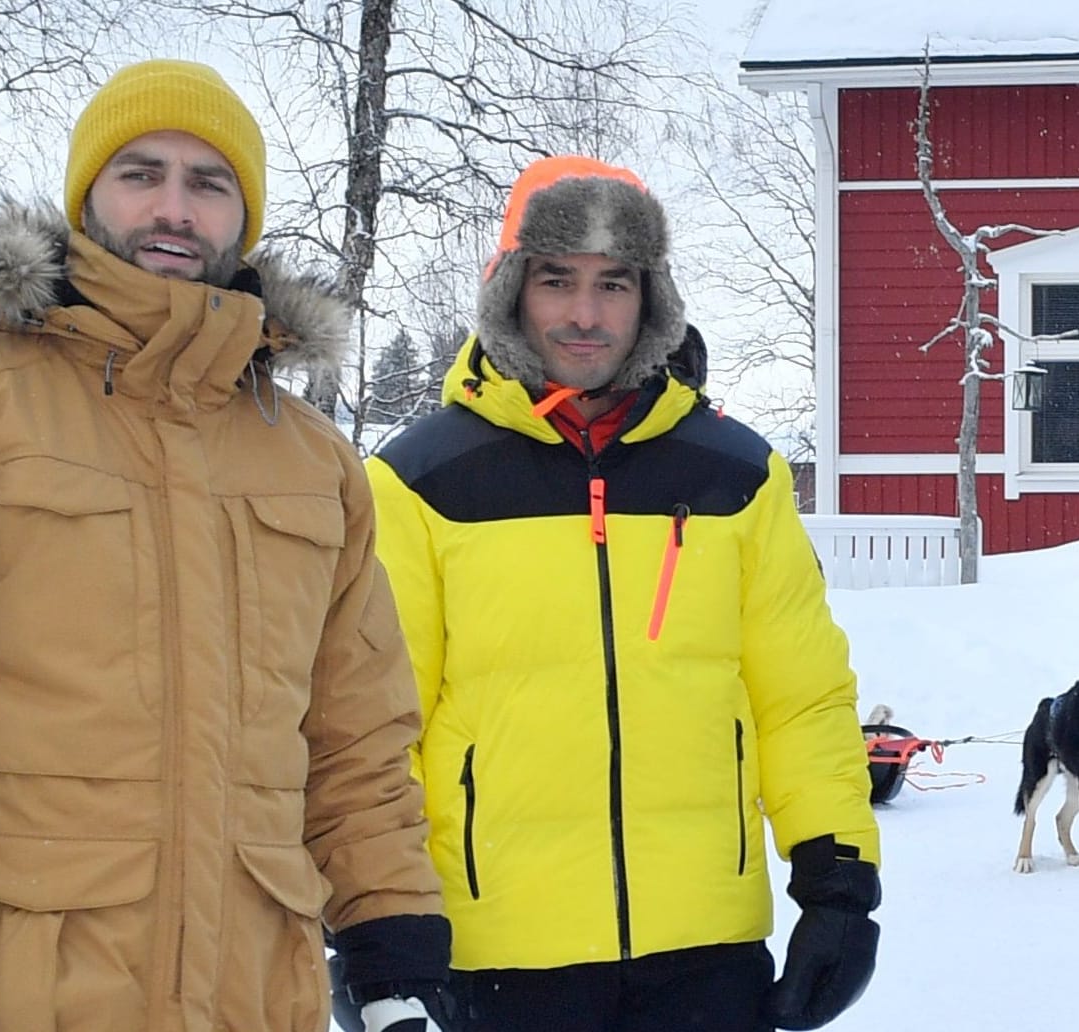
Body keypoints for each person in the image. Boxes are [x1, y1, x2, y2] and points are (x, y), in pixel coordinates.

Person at [0, 60, 452, 1032]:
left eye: (209, 182)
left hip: (257, 991)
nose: (173, 208)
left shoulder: (313, 461)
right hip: (25, 989)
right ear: (88, 196)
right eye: (141, 173)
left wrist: (394, 941)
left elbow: (357, 741)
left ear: (243, 216)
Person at [365, 155, 881, 1032]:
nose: (584, 313)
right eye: (556, 279)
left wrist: (838, 884)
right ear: (510, 290)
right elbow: (374, 728)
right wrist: (377, 930)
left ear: (652, 297)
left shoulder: (737, 474)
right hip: (499, 955)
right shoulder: (418, 481)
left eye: (614, 282)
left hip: (705, 952)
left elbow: (799, 698)